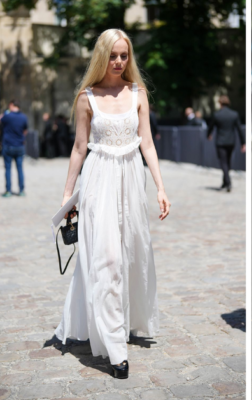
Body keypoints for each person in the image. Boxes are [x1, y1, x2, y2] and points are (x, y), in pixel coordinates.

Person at [55, 29, 171, 380]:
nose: (119, 62)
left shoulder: (139, 93)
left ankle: (127, 321)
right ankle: (115, 349)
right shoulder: (86, 97)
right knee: (106, 259)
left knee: (132, 253)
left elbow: (147, 143)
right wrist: (67, 195)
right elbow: (79, 148)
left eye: (124, 55)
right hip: (98, 179)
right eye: (114, 55)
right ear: (102, 56)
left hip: (131, 180)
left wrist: (161, 188)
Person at [207, 95, 245, 192]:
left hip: (220, 142)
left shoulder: (217, 114)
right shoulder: (234, 114)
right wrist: (243, 143)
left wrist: (209, 135)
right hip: (231, 141)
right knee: (227, 162)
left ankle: (228, 183)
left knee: (223, 162)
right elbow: (239, 129)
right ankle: (224, 182)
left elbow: (211, 127)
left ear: (220, 103)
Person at [1, 99, 28, 197]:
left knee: (8, 169)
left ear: (12, 106)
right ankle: (21, 190)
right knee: (20, 169)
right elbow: (25, 131)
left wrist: (6, 112)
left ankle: (8, 191)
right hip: (19, 146)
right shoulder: (24, 117)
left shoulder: (7, 116)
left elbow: (1, 119)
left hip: (8, 145)